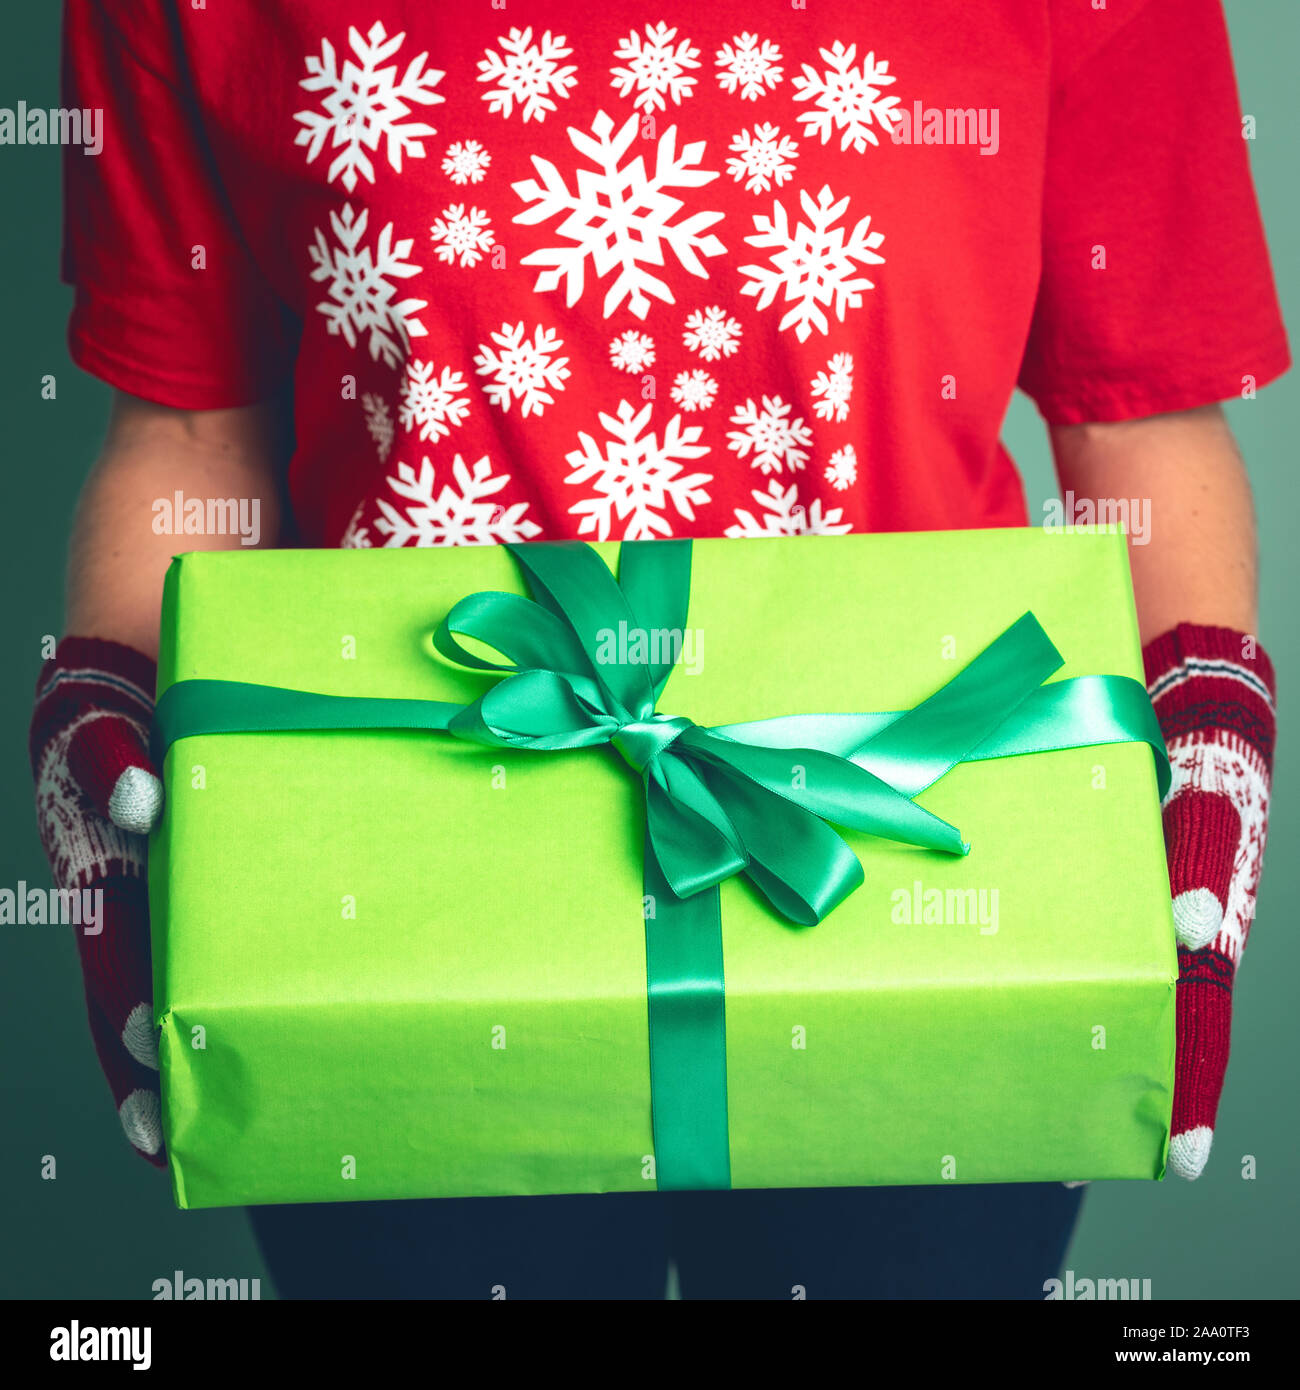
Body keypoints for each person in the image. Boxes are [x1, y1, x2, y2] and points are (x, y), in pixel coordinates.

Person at [32, 0, 1284, 1298]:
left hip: (922, 868)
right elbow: (190, 432)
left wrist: (1204, 745)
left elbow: (1138, 424)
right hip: (393, 903)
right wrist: (110, 717)